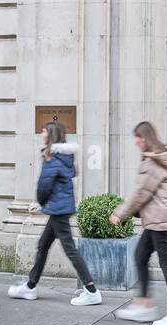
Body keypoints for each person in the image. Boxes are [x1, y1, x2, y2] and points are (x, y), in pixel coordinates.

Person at [8, 121, 102, 305]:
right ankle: (30, 286)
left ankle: (92, 291)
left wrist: (41, 202)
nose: (41, 133)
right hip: (59, 208)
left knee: (70, 250)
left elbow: (44, 184)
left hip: (58, 210)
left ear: (50, 134)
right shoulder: (64, 157)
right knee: (43, 245)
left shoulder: (52, 156)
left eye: (43, 131)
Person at [110, 121, 167, 325]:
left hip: (160, 220)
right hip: (158, 218)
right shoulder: (166, 156)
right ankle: (144, 303)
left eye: (138, 137)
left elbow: (140, 194)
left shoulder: (154, 161)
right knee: (140, 256)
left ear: (146, 138)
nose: (136, 142)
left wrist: (120, 213)